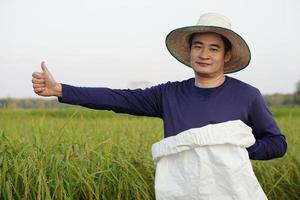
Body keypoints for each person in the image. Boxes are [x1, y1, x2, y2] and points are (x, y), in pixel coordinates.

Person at [32, 12, 287, 198]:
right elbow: (117, 98)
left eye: (214, 48)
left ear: (226, 55)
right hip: (181, 191)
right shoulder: (169, 94)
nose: (204, 54)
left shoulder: (247, 96)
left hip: (232, 192)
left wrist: (234, 149)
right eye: (198, 46)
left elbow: (277, 143)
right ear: (189, 51)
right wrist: (60, 90)